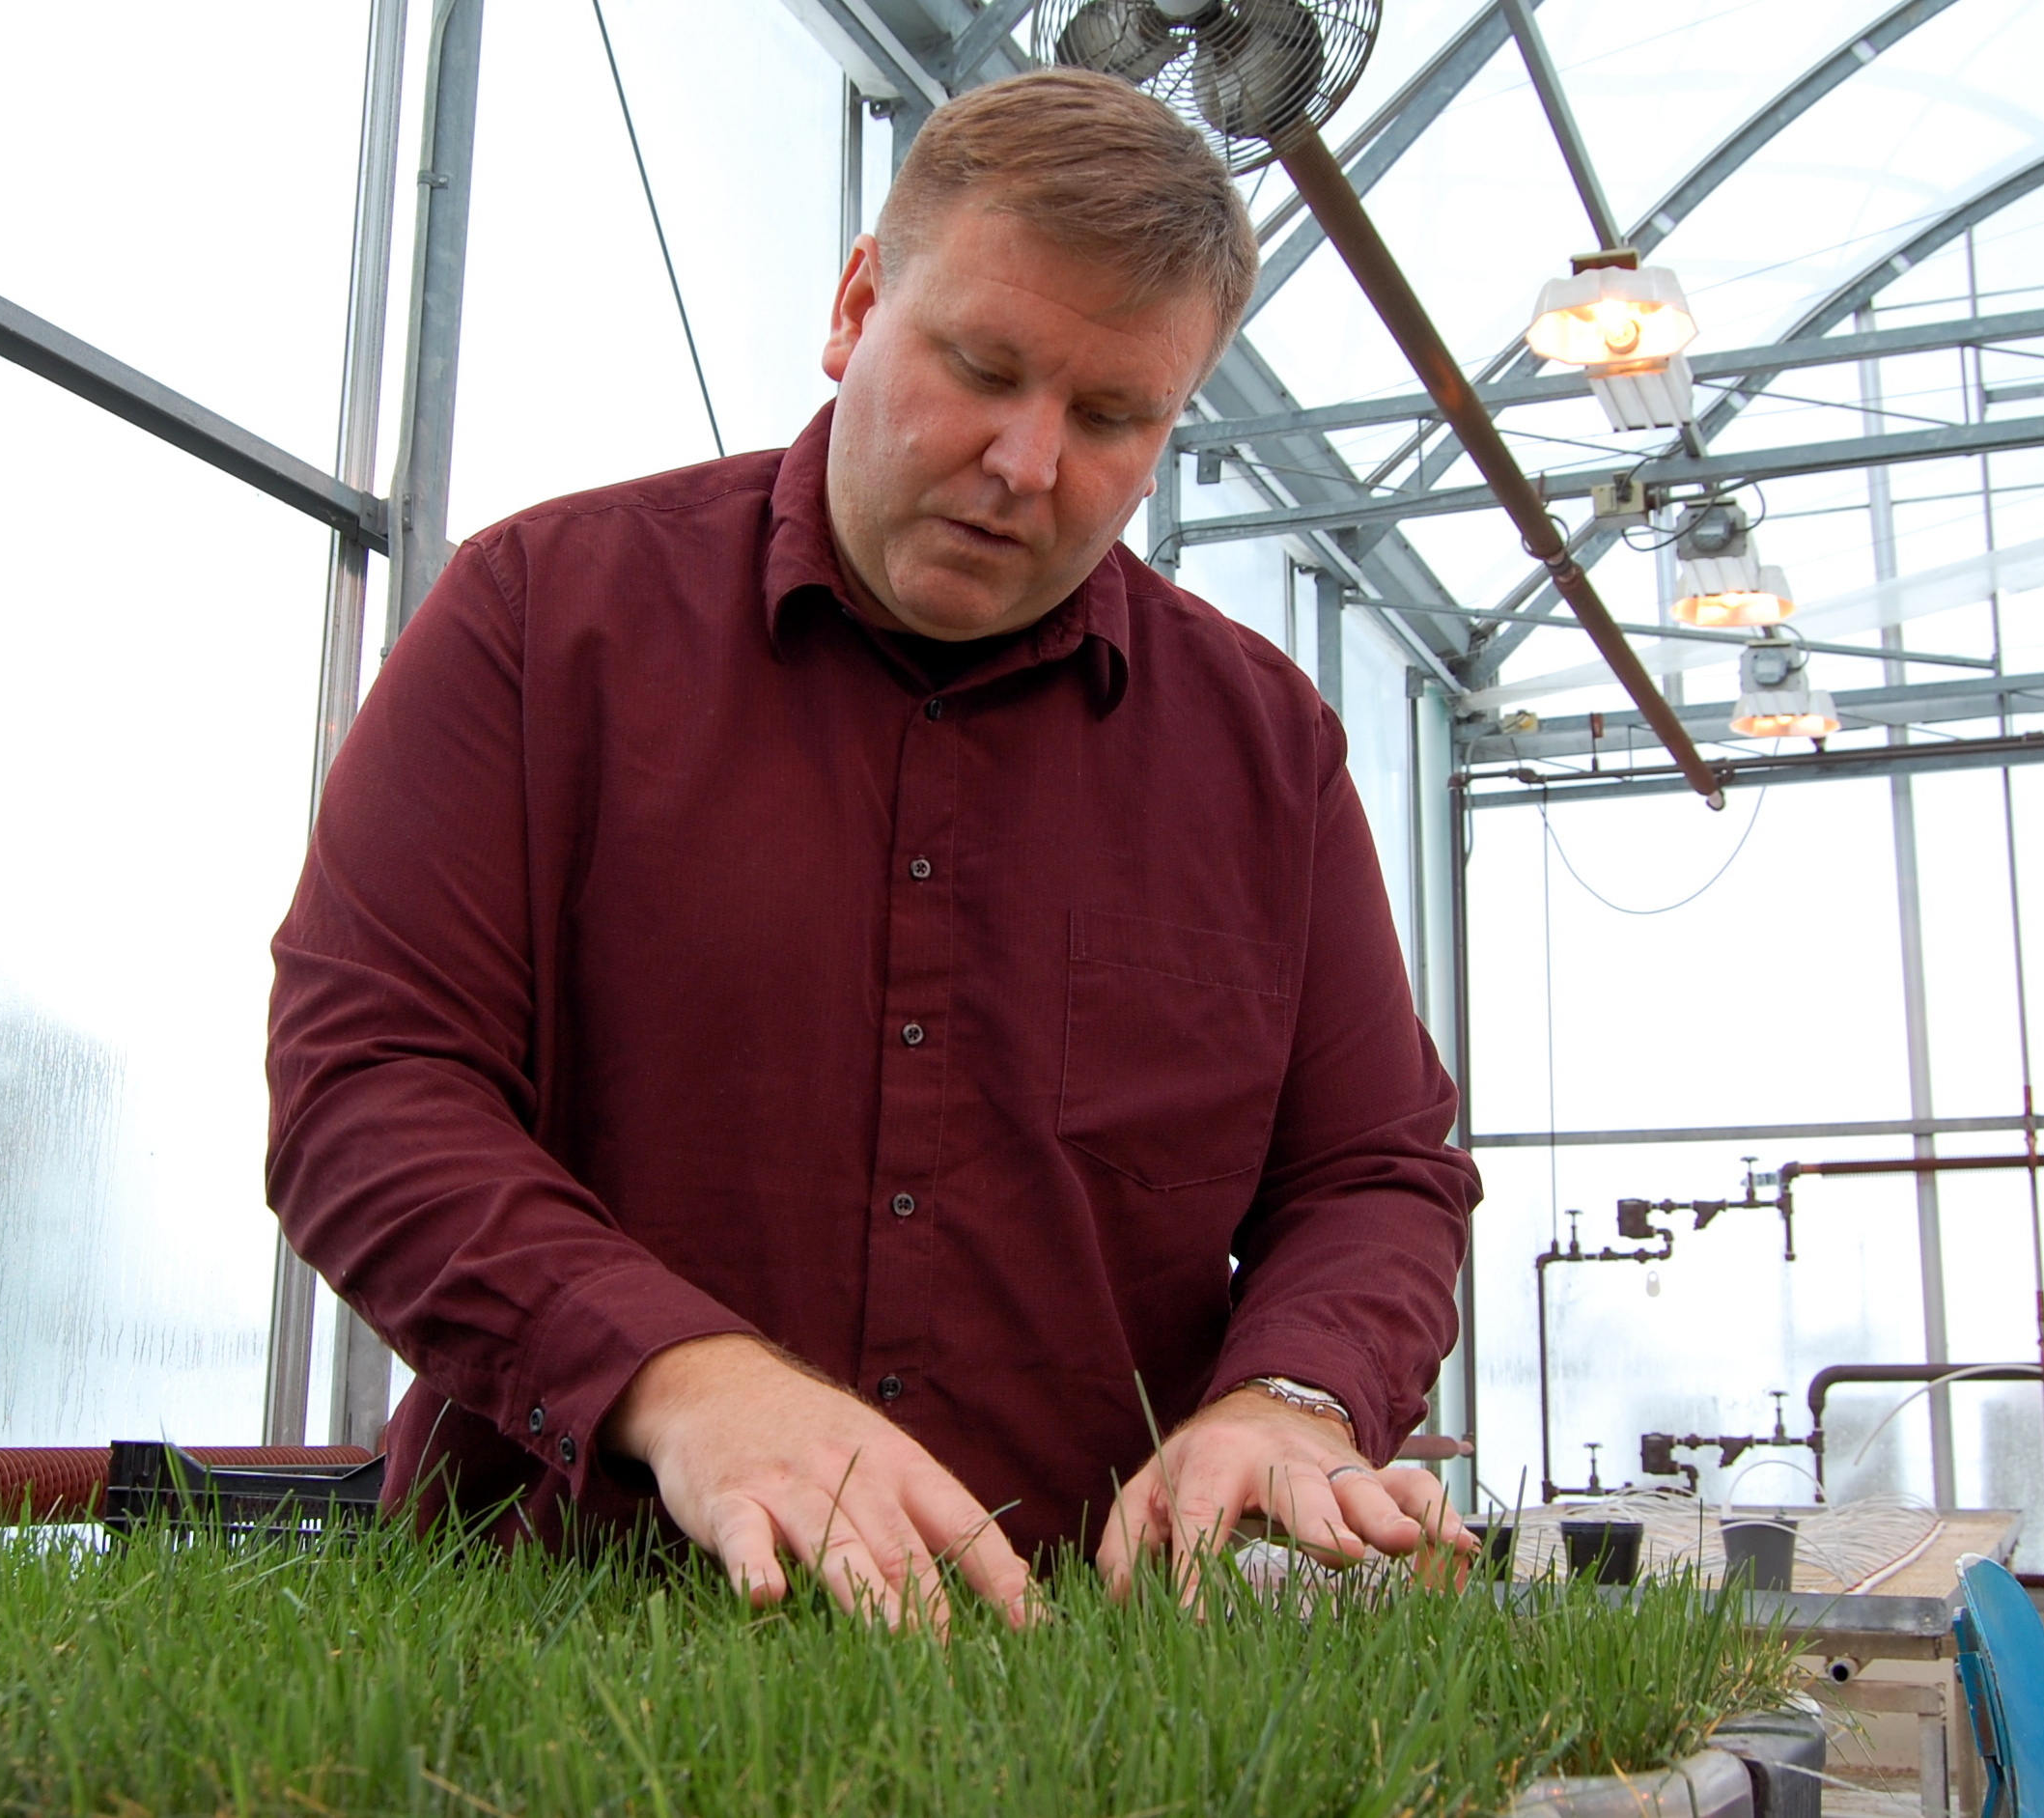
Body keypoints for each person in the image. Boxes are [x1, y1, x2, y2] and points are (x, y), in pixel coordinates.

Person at [266, 67, 1480, 1629]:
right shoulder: (538, 626)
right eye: (980, 368)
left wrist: (1293, 1400)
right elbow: (365, 1089)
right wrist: (678, 1379)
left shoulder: (1265, 750)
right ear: (854, 309)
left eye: (1114, 417)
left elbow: (1370, 1172)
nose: (1028, 463)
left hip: (1071, 1682)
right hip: (549, 1629)